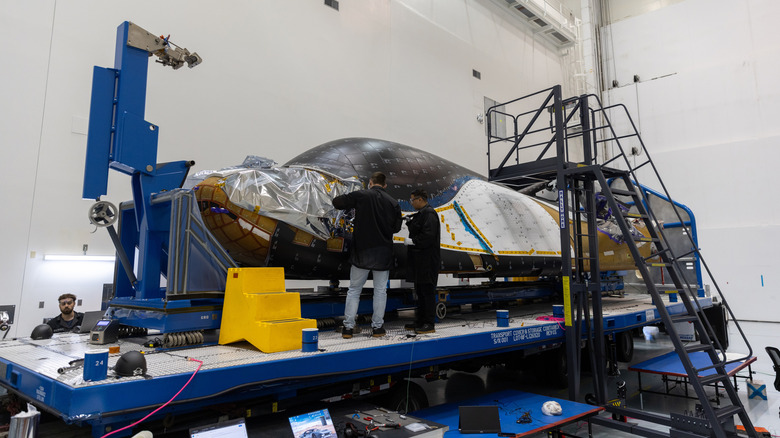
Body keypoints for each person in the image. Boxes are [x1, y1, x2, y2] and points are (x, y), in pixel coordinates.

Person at [333, 172, 402, 339]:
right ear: (385, 185)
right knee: (380, 292)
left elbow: (337, 202)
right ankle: (378, 328)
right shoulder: (393, 203)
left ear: (370, 183)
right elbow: (396, 228)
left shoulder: (361, 195)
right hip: (383, 253)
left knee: (354, 290)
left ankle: (348, 328)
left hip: (361, 252)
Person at [404, 189, 440, 334]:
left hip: (427, 260)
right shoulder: (422, 214)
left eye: (412, 200)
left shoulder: (430, 214)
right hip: (419, 261)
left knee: (427, 292)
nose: (411, 203)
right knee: (420, 291)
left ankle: (429, 324)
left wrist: (413, 241)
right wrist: (409, 223)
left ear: (420, 199)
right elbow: (418, 229)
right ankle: (420, 321)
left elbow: (428, 236)